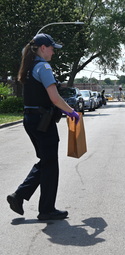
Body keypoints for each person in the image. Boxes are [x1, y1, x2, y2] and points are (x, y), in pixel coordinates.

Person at [6, 33, 79, 220]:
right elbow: (55, 98)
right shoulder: (44, 67)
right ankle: (44, 209)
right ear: (43, 48)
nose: (54, 52)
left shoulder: (28, 67)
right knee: (50, 164)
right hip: (43, 122)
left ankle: (21, 197)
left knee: (46, 162)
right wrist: (72, 112)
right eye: (52, 48)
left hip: (30, 120)